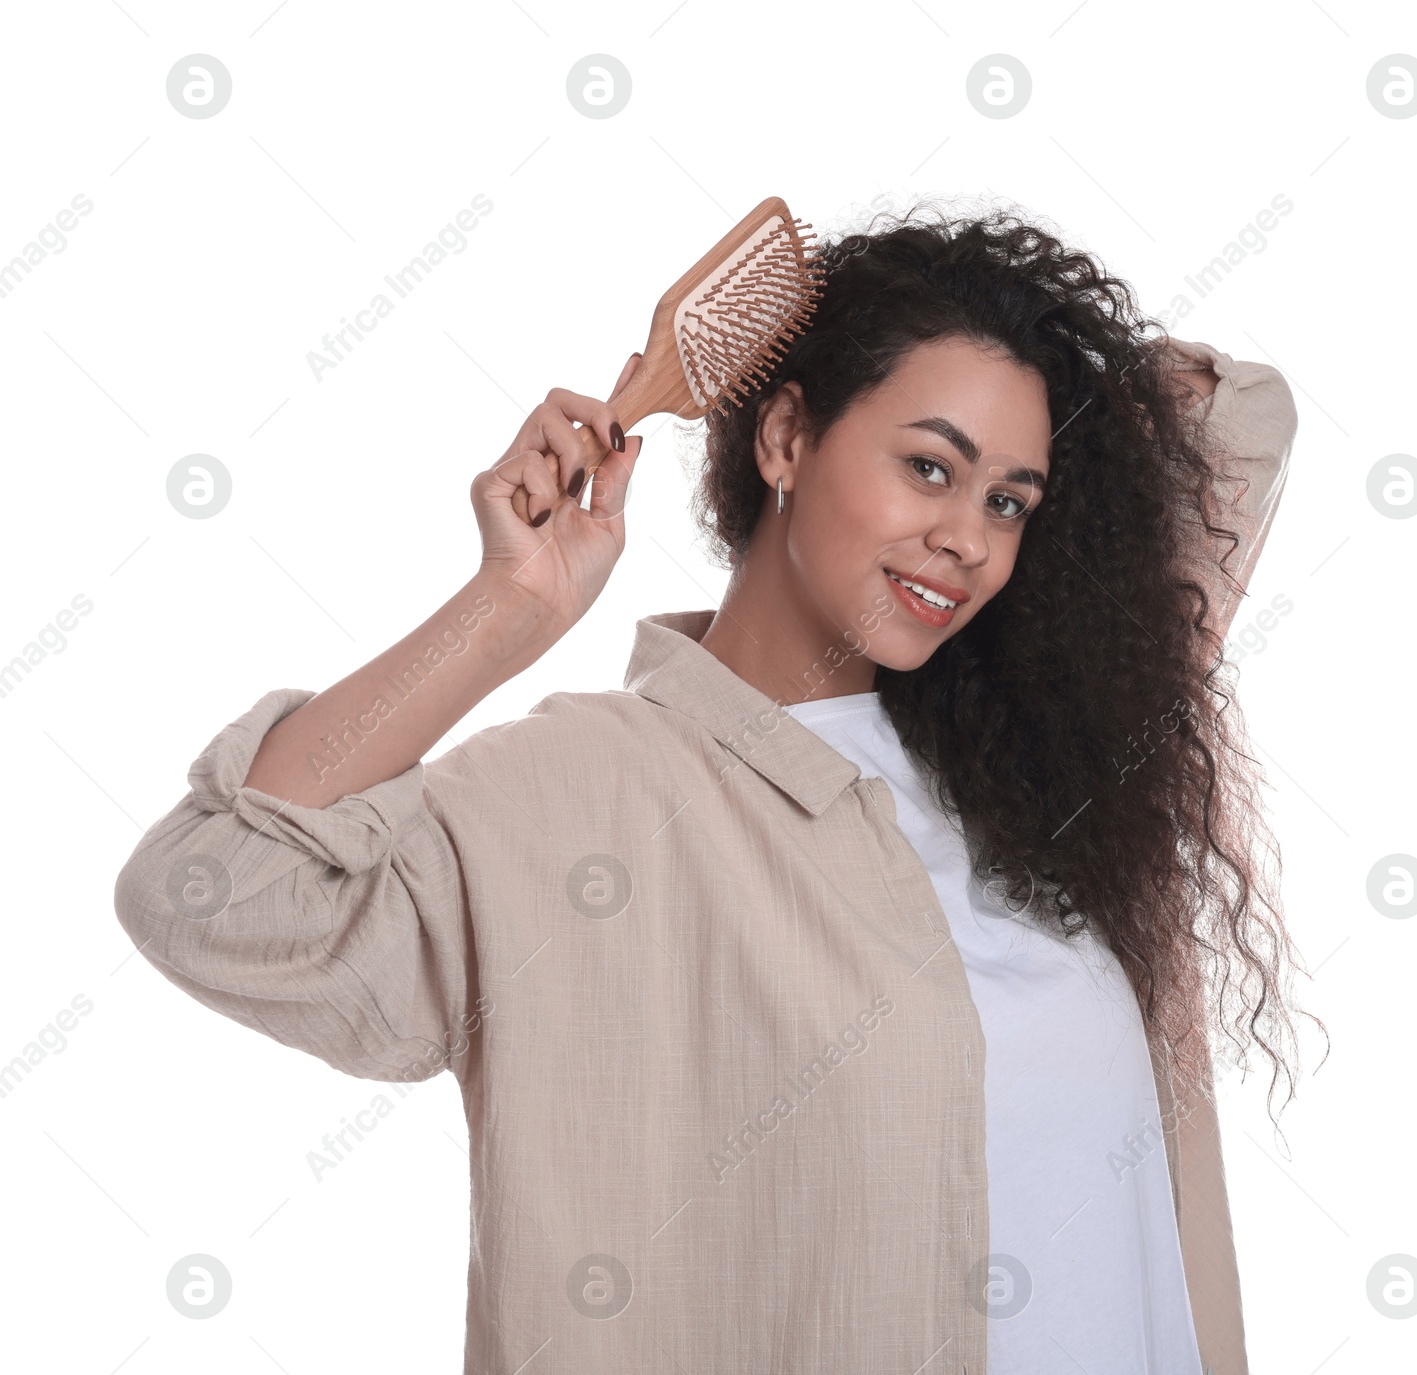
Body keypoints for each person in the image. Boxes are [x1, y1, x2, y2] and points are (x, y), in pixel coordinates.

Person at [114, 201, 1318, 1374]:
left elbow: (1241, 418)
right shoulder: (583, 793)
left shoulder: (1040, 750)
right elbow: (210, 887)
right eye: (927, 466)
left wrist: (1016, 329)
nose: (969, 537)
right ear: (785, 439)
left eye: (1009, 500)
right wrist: (506, 611)